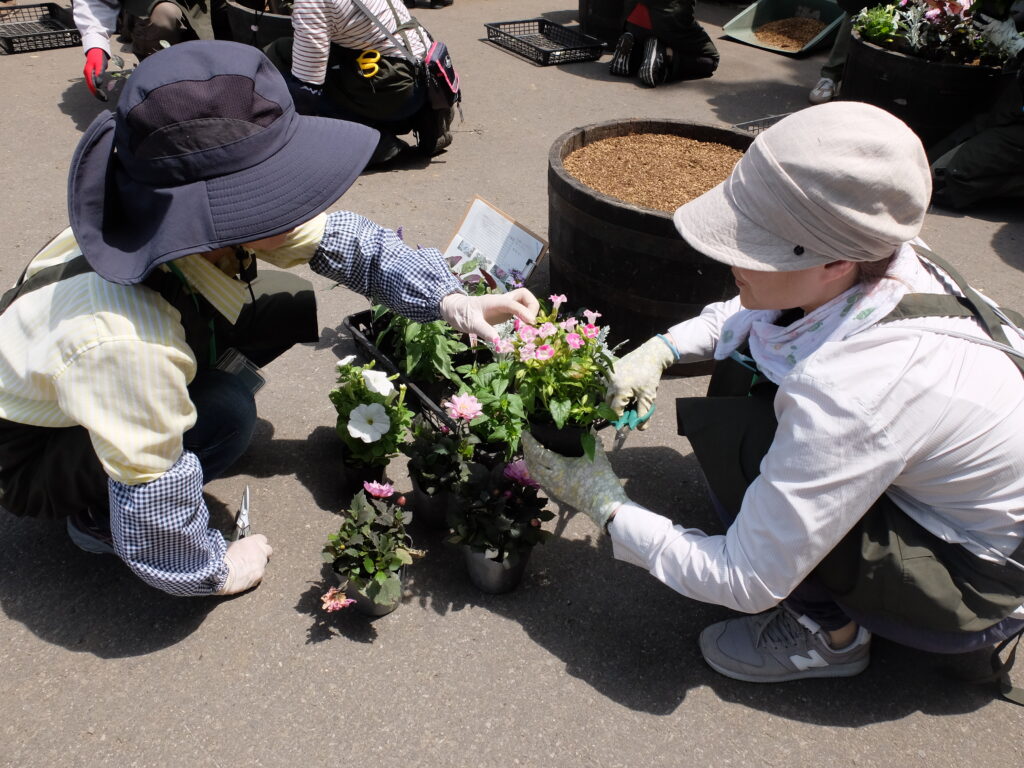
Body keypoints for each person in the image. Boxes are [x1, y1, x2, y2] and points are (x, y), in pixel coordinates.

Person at [0, 40, 538, 599]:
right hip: (31, 453)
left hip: (86, 376)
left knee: (284, 301)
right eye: (275, 190)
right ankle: (92, 518)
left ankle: (175, 401)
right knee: (229, 415)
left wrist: (453, 301)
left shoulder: (162, 220)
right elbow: (153, 494)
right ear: (212, 218)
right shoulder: (127, 342)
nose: (301, 201)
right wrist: (220, 568)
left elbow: (352, 244)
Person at [523, 102, 1024, 696]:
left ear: (836, 262)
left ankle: (829, 634)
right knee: (746, 386)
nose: (729, 260)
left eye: (752, 247)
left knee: (746, 441)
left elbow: (743, 578)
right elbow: (754, 311)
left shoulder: (855, 389)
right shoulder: (881, 261)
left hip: (974, 578)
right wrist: (659, 349)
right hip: (951, 492)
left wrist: (608, 506)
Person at [264, 0, 453, 164]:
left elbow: (307, 90)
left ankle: (372, 142)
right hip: (427, 74)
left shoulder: (311, 4)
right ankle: (426, 116)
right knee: (282, 50)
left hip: (396, 88)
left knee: (296, 90)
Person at [608, 0, 719, 88]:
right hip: (665, 21)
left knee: (652, 34)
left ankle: (632, 56)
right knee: (711, 59)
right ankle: (665, 55)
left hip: (632, 19)